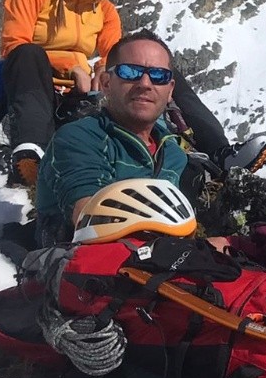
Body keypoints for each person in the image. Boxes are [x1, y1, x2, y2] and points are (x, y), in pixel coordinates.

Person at [0, 0, 239, 186]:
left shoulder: (105, 10)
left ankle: (221, 152)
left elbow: (113, 55)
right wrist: (73, 68)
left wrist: (100, 73)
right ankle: (30, 152)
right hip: (36, 83)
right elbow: (14, 44)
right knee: (28, 53)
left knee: (160, 72)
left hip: (80, 92)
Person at [35, 31, 192, 244]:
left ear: (170, 90)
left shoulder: (174, 154)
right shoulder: (79, 138)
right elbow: (90, 218)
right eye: (130, 72)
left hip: (158, 258)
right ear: (106, 83)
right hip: (88, 260)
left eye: (158, 75)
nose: (145, 83)